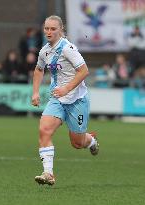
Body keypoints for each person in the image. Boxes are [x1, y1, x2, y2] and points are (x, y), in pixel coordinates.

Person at [31, 15, 99, 186]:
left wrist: (66, 89)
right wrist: (35, 92)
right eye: (46, 28)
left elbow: (84, 71)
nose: (49, 31)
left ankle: (90, 140)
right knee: (44, 130)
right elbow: (39, 70)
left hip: (77, 99)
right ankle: (48, 173)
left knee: (77, 143)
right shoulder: (44, 51)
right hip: (57, 99)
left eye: (53, 29)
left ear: (61, 30)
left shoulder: (68, 48)